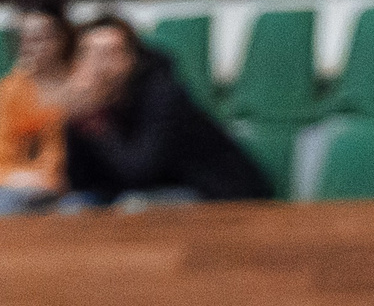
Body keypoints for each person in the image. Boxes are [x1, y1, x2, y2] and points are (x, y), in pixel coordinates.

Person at [61, 16, 274, 205]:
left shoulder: (163, 94)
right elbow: (80, 182)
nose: (99, 64)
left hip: (218, 193)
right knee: (74, 205)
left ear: (132, 59)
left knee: (134, 205)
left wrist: (97, 124)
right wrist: (77, 118)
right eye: (89, 53)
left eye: (110, 54)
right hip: (154, 191)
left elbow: (140, 172)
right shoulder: (94, 101)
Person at [0, 2, 76, 216]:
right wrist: (21, 178)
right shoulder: (10, 88)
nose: (30, 46)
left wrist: (50, 178)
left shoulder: (80, 82)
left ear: (62, 38)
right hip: (21, 185)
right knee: (1, 200)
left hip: (70, 186)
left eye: (40, 38)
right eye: (22, 39)